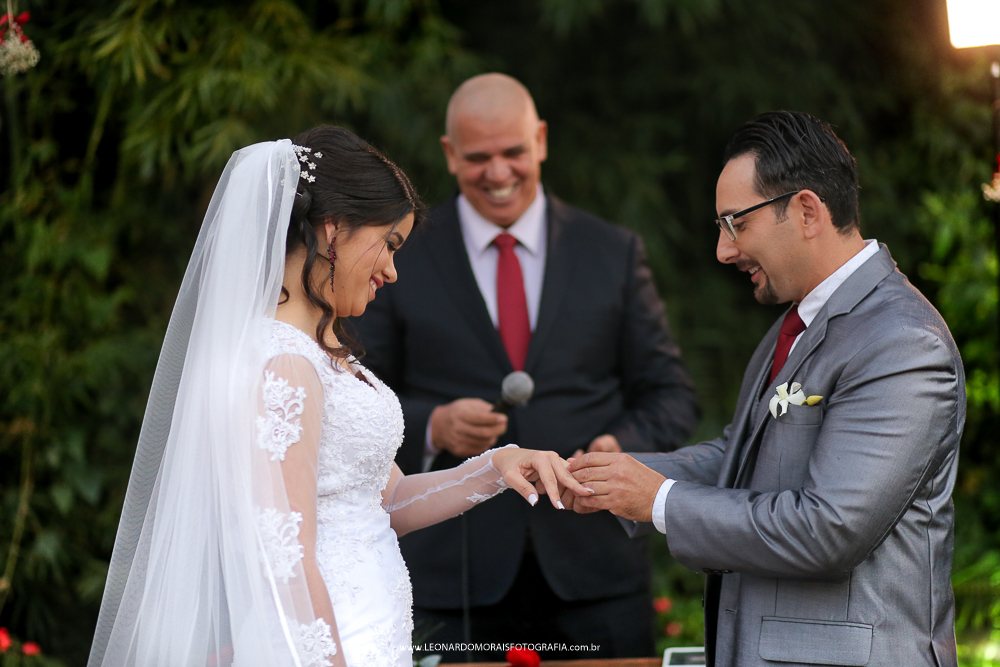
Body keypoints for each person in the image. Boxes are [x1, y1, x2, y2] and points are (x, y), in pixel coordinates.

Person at [87, 126, 590, 667]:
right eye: (389, 245)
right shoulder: (282, 363)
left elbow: (385, 502)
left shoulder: (315, 355)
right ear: (332, 231)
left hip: (369, 633)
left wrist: (497, 467)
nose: (392, 271)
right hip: (322, 644)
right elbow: (284, 558)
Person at [567, 111, 965, 667]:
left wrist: (656, 500)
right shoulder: (798, 323)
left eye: (736, 223)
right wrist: (614, 477)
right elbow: (743, 459)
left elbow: (829, 531)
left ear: (806, 211)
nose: (724, 251)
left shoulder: (901, 342)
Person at [354, 73, 700, 661]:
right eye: (478, 157)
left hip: (595, 571)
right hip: (453, 574)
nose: (498, 172)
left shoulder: (611, 251)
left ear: (540, 140)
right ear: (449, 154)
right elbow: (357, 394)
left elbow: (670, 393)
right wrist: (433, 425)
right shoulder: (400, 255)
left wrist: (623, 446)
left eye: (513, 151)